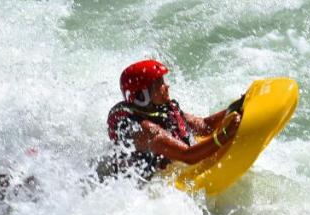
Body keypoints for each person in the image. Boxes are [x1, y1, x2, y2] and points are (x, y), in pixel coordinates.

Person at [99, 59, 241, 181]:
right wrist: (226, 134)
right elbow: (188, 155)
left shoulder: (163, 110)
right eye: (159, 83)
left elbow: (204, 126)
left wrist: (236, 107)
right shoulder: (145, 129)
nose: (167, 86)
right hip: (137, 186)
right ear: (143, 95)